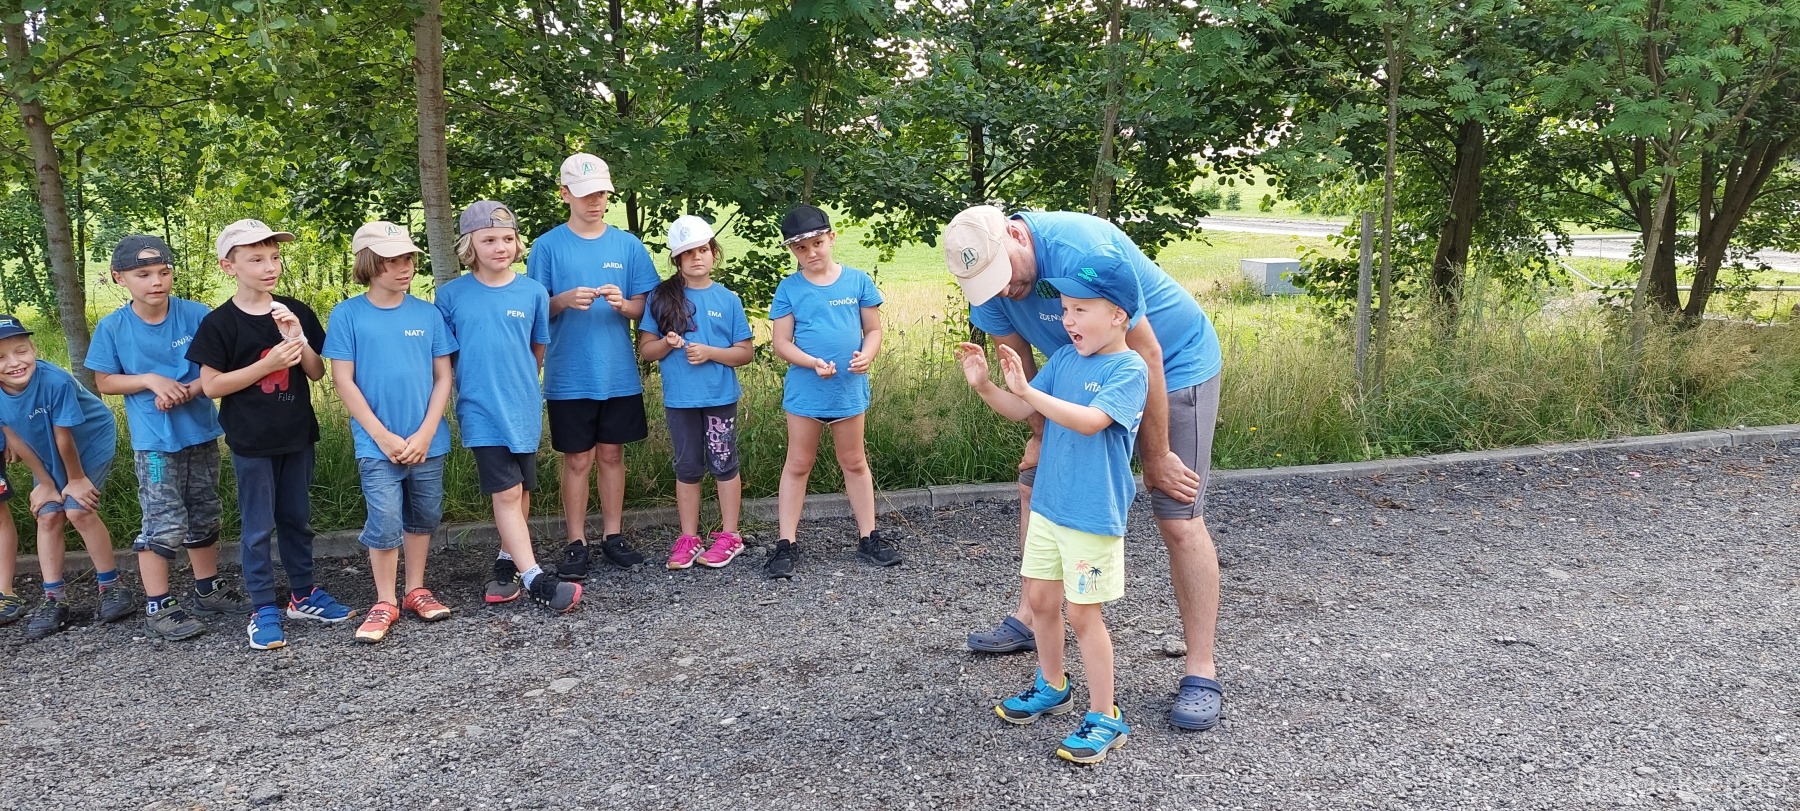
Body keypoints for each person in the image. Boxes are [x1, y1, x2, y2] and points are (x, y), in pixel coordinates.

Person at [943, 205, 1227, 731]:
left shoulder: (1083, 250)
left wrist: (1156, 455)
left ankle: (1200, 670)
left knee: (1177, 511)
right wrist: (1038, 436)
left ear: (1015, 235)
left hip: (1170, 363)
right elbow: (1019, 368)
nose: (1002, 291)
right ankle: (1036, 620)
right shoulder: (988, 283)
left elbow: (1148, 355)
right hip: (1074, 371)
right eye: (987, 286)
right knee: (1034, 483)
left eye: (1004, 276)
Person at [957, 257, 1147, 764]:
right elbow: (1024, 409)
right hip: (1048, 506)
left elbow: (1090, 421)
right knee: (1041, 600)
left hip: (1091, 514)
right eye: (1064, 309)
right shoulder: (1064, 359)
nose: (1068, 320)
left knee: (1083, 614)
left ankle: (1105, 715)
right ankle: (1053, 685)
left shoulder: (1129, 369)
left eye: (1081, 310)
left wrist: (1029, 390)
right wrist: (986, 386)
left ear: (1118, 316)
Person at [188, 219, 354, 650]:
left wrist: (298, 338)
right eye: (256, 259)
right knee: (258, 527)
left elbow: (316, 373)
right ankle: (262, 607)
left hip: (297, 435)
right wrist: (267, 364)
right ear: (229, 266)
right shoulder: (219, 323)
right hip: (252, 442)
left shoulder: (294, 310)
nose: (269, 267)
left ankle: (303, 595)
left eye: (275, 258)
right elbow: (212, 386)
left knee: (297, 519)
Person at [87, 235, 251, 642]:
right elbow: (104, 381)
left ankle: (207, 588)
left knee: (205, 510)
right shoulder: (113, 327)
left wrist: (188, 390)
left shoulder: (196, 315)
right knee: (163, 520)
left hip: (201, 433)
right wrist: (149, 380)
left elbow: (218, 369)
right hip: (154, 445)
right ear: (119, 278)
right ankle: (158, 605)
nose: (156, 282)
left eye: (163, 272)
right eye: (143, 274)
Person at [437, 200, 582, 613]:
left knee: (520, 489)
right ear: (470, 245)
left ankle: (507, 563)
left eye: (507, 238)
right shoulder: (450, 295)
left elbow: (536, 350)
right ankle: (535, 577)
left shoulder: (533, 292)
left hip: (522, 405)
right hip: (479, 407)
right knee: (507, 491)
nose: (499, 247)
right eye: (488, 240)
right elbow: (447, 358)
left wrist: (520, 387)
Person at [526, 153, 659, 580]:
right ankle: (575, 541)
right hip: (569, 374)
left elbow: (647, 307)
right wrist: (562, 301)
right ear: (565, 194)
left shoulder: (628, 245)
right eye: (585, 194)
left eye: (601, 193)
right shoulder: (547, 246)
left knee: (612, 454)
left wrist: (624, 305)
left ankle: (613, 536)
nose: (595, 202)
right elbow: (533, 309)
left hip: (617, 373)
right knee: (577, 460)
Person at [324, 222, 458, 643]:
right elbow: (343, 380)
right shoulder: (347, 315)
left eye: (408, 259)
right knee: (384, 521)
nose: (405, 268)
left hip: (427, 442)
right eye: (393, 261)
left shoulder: (428, 314)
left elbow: (444, 377)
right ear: (369, 264)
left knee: (424, 516)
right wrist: (382, 436)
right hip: (376, 444)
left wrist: (426, 432)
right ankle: (385, 600)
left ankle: (415, 589)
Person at [765, 204, 898, 579]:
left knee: (854, 462)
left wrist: (867, 355)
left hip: (847, 390)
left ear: (832, 238)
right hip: (806, 393)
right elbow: (781, 342)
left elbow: (873, 330)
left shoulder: (857, 281)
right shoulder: (789, 288)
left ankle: (868, 537)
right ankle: (786, 543)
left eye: (817, 243)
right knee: (798, 464)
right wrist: (811, 363)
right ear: (792, 251)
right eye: (801, 248)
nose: (811, 253)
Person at [0, 313, 133, 640]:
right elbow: (14, 437)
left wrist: (75, 480)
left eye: (21, 351)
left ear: (34, 349)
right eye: (1, 357)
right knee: (47, 515)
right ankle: (54, 598)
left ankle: (111, 586)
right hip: (42, 444)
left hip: (88, 440)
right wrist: (45, 483)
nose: (14, 362)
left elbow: (65, 437)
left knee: (78, 509)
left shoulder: (55, 382)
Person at [638, 215, 754, 569]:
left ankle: (730, 535)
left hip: (720, 398)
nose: (697, 258)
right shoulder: (661, 297)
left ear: (714, 252)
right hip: (681, 399)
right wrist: (667, 343)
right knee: (687, 466)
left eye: (702, 250)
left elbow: (744, 352)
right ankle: (688, 537)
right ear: (677, 259)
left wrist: (710, 353)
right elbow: (647, 350)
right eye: (688, 253)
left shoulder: (728, 299)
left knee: (723, 463)